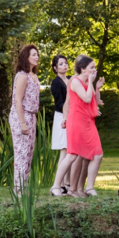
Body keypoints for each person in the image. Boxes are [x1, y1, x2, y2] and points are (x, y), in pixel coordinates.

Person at [64, 56, 104, 197]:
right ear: (83, 68)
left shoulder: (88, 82)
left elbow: (94, 101)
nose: (94, 70)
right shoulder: (75, 81)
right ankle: (69, 188)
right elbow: (80, 100)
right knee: (77, 156)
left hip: (88, 121)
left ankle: (83, 188)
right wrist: (65, 118)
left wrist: (96, 87)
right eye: (92, 67)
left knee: (95, 155)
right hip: (78, 121)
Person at [9, 44, 40, 194]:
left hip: (31, 116)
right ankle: (18, 191)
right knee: (21, 153)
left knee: (29, 153)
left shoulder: (34, 76)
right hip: (21, 116)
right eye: (33, 54)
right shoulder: (22, 75)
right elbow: (17, 101)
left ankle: (23, 188)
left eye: (37, 54)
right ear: (26, 57)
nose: (37, 57)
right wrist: (22, 123)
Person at [50, 55, 70, 194]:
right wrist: (69, 111)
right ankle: (59, 185)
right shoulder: (56, 82)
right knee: (64, 150)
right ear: (55, 68)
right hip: (62, 116)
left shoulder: (70, 80)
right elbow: (59, 103)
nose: (64, 65)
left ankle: (67, 183)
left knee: (70, 150)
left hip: (71, 116)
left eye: (66, 63)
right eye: (61, 64)